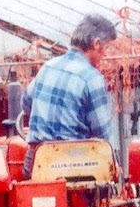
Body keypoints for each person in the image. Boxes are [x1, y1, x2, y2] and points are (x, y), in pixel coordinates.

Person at [21, 14, 117, 177]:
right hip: (72, 166)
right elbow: (102, 135)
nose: (105, 55)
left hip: (38, 162)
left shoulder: (47, 67)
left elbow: (26, 104)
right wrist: (116, 165)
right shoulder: (91, 78)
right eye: (106, 48)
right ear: (97, 44)